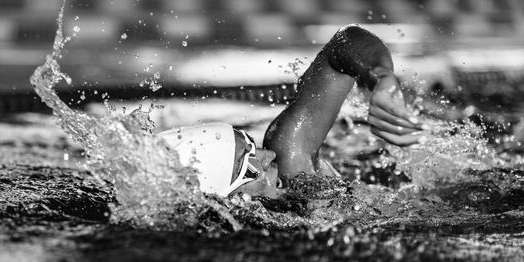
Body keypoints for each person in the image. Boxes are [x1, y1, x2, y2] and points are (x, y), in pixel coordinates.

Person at [158, 25, 429, 199]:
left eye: (252, 146)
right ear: (225, 198)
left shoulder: (292, 170)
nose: (269, 155)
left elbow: (342, 47)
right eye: (248, 165)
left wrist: (381, 79)